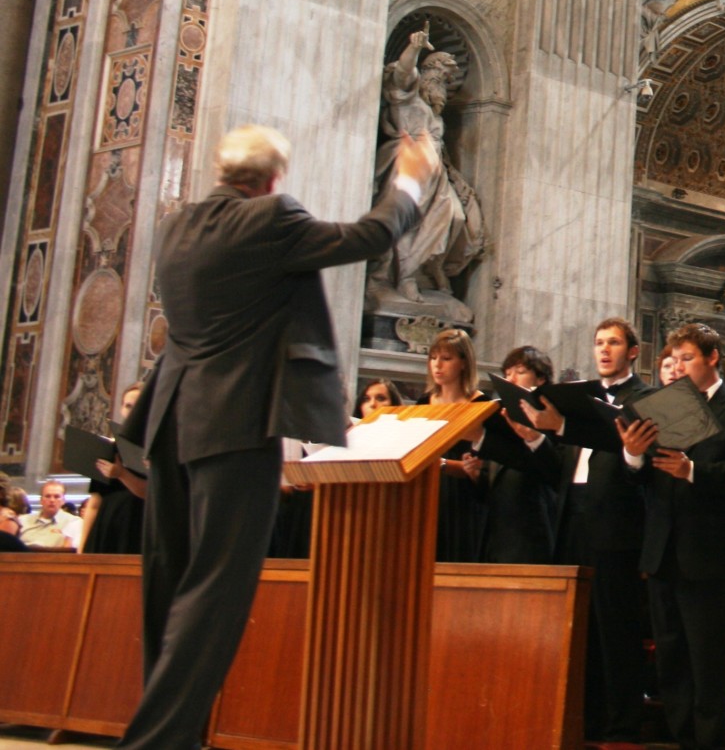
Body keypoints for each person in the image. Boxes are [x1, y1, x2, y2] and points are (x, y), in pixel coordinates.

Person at [114, 123, 432, 750]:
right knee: (217, 590)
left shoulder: (175, 225)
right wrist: (411, 181)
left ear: (219, 167)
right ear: (272, 179)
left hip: (171, 421)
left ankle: (174, 736)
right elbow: (369, 235)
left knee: (170, 583)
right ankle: (155, 742)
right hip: (235, 422)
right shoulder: (270, 218)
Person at [526, 317, 657, 747]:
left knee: (615, 628)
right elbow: (559, 467)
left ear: (632, 351)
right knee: (576, 628)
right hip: (572, 520)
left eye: (614, 343)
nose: (604, 350)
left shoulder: (646, 397)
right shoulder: (578, 398)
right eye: (600, 343)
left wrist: (633, 457)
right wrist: (535, 438)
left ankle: (620, 726)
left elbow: (644, 469)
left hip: (616, 525)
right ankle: (582, 717)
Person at [634, 323, 725, 750]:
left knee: (708, 658)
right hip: (663, 549)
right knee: (670, 656)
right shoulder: (664, 405)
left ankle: (710, 741)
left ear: (712, 358)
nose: (680, 366)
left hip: (707, 553)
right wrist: (633, 453)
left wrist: (694, 470)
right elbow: (644, 477)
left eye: (688, 357)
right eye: (675, 359)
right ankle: (678, 737)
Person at [479, 344, 564, 565]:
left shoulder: (555, 420)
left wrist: (532, 437)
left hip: (531, 538)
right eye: (507, 374)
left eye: (520, 371)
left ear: (541, 379)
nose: (511, 379)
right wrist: (477, 472)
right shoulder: (502, 420)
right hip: (498, 539)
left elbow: (556, 473)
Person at [423, 327, 490, 563]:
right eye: (433, 358)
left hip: (463, 503)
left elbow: (488, 465)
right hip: (426, 497)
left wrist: (449, 466)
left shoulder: (481, 405)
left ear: (464, 362)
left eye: (446, 358)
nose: (437, 365)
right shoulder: (423, 404)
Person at [82, 381, 149, 555]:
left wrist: (121, 474)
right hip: (107, 526)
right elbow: (94, 504)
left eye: (137, 406)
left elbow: (150, 493)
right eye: (127, 406)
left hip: (139, 525)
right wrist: (82, 548)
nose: (131, 411)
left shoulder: (157, 449)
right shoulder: (108, 448)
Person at [20, 479, 81, 550]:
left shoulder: (74, 522)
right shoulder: (22, 520)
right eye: (48, 496)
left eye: (56, 496)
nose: (52, 500)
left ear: (63, 500)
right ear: (41, 500)